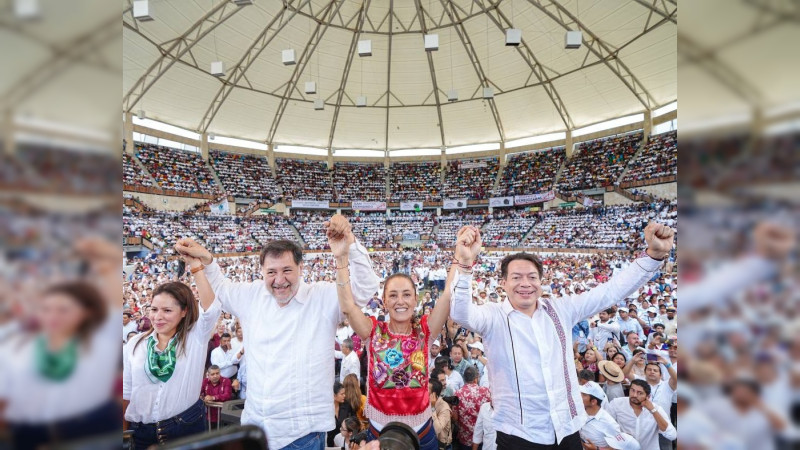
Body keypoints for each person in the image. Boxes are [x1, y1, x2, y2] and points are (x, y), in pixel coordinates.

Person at [450, 223, 674, 449]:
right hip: (518, 433)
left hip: (566, 427)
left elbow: (610, 291)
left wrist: (653, 256)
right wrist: (466, 264)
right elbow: (460, 312)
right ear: (503, 284)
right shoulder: (493, 317)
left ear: (540, 283)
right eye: (516, 277)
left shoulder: (561, 309)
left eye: (532, 277)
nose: (525, 283)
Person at [175, 214, 380, 450]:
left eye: (287, 270)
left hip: (302, 435)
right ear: (261, 270)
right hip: (256, 430)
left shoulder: (322, 296)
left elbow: (365, 289)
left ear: (301, 268)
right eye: (271, 272)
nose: (279, 280)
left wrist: (350, 246)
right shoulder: (251, 295)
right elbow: (221, 288)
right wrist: (208, 260)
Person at [335, 228, 469, 450]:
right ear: (384, 302)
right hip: (380, 433)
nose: (400, 301)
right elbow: (348, 305)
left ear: (416, 299)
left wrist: (459, 254)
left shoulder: (425, 331)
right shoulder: (373, 331)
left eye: (407, 294)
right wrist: (341, 258)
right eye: (393, 295)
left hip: (423, 433)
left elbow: (447, 294)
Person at [1, 239, 121, 450]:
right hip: (30, 435)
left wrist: (106, 266)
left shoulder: (99, 344)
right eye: (46, 309)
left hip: (90, 436)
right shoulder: (17, 347)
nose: (52, 316)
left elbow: (116, 307)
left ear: (86, 313)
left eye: (63, 309)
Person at [123, 252, 221, 449]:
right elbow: (126, 393)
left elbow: (211, 309)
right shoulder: (135, 345)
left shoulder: (195, 338)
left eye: (167, 311)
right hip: (142, 433)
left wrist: (196, 266)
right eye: (154, 309)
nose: (158, 317)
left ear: (184, 312)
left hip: (185, 430)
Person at [606, 380, 676, 450]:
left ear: (648, 396)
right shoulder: (617, 403)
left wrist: (653, 411)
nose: (634, 395)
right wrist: (620, 436)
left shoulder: (656, 409)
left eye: (640, 393)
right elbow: (606, 425)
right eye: (632, 390)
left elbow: (672, 435)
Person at [454, 366, 491, 450]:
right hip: (482, 437)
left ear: (464, 378)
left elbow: (455, 417)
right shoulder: (485, 391)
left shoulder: (457, 394)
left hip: (464, 437)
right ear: (476, 378)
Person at [578, 381, 623, 449]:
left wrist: (597, 449)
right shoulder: (578, 412)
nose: (579, 396)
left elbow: (619, 446)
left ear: (593, 402)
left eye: (584, 394)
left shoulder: (609, 423)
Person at [329, 382, 357, 447]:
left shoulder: (347, 405)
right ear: (334, 395)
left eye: (344, 393)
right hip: (330, 443)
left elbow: (354, 421)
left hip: (346, 441)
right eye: (342, 394)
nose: (344, 396)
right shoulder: (327, 409)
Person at [429, 378, 453, 449]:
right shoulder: (426, 403)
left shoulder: (444, 408)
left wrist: (432, 408)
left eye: (426, 389)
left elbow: (436, 429)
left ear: (434, 394)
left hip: (442, 446)